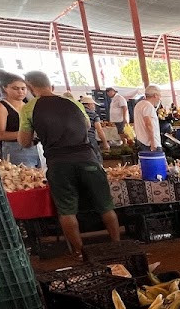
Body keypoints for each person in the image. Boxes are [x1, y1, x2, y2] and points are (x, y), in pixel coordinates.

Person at [18, 71, 119, 257]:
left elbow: (24, 142)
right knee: (106, 206)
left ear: (31, 87)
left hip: (59, 164)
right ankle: (117, 244)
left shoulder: (29, 108)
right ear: (51, 85)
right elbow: (87, 126)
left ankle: (80, 253)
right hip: (87, 158)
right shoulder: (73, 102)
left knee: (67, 211)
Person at [0, 70, 42, 167]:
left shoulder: (28, 105)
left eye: (23, 88)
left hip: (36, 148)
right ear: (5, 88)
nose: (20, 92)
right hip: (15, 150)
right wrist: (27, 134)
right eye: (16, 88)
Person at [133, 85, 163, 152]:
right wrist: (153, 142)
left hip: (141, 140)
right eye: (159, 96)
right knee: (156, 161)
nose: (160, 98)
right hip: (149, 143)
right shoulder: (148, 106)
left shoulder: (139, 104)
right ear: (155, 95)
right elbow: (148, 124)